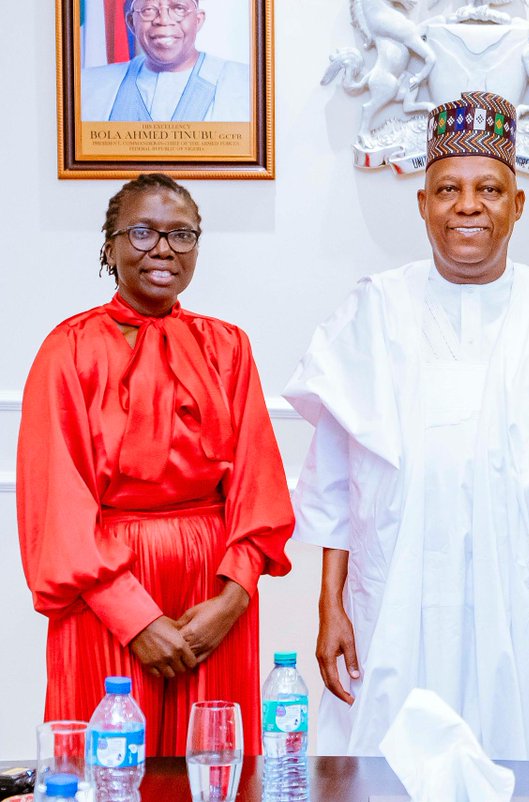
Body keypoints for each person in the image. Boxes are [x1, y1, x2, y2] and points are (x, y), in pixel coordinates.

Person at [285, 91, 529, 761]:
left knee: (527, 761)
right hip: (393, 601)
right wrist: (328, 603)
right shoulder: (374, 310)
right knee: (386, 765)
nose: (468, 205)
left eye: (489, 188)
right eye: (447, 188)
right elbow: (335, 476)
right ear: (422, 203)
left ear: (518, 203)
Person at [16, 173, 294, 756]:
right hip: (106, 590)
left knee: (212, 766)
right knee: (107, 767)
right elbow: (56, 504)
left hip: (212, 588)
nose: (163, 248)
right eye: (141, 232)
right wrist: (134, 620)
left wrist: (233, 598)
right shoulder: (67, 349)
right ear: (110, 246)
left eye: (181, 235)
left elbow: (258, 485)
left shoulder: (230, 347)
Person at [81, 0, 251, 122]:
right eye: (148, 9)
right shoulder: (88, 86)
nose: (163, 20)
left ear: (198, 21)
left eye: (178, 8)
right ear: (132, 22)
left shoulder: (247, 84)